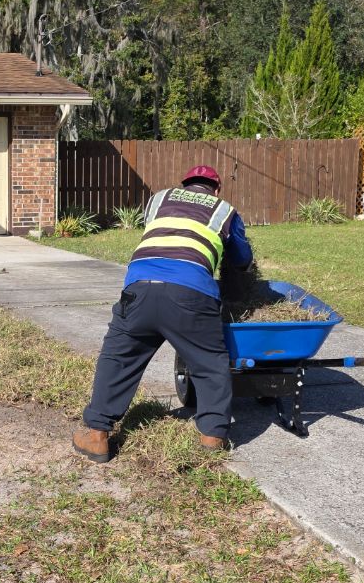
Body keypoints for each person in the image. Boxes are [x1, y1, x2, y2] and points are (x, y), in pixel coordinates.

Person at [72, 165, 253, 463]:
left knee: (118, 357)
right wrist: (241, 271)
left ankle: (96, 436)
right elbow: (242, 258)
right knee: (210, 363)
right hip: (192, 294)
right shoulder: (225, 210)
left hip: (139, 288)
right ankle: (212, 437)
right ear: (216, 189)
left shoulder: (158, 199)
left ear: (184, 185)